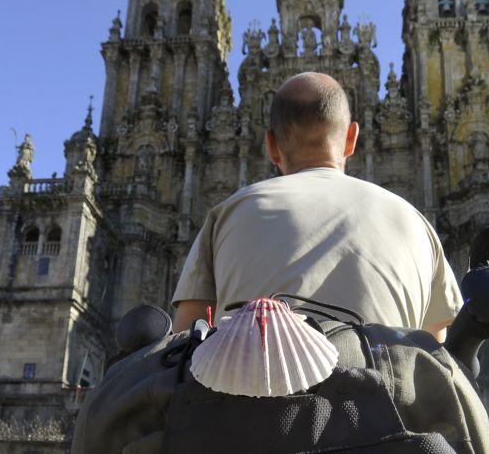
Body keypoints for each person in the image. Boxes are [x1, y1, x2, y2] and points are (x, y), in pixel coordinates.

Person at [170, 72, 463, 341]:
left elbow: (184, 339)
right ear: (352, 139)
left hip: (246, 394)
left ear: (270, 145)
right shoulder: (414, 223)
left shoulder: (225, 216)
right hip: (383, 394)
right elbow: (436, 354)